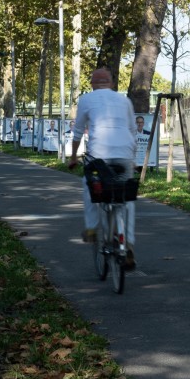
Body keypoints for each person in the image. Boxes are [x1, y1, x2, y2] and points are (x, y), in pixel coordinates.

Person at [68, 68, 138, 270]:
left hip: (99, 155)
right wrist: (132, 158)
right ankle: (129, 243)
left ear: (92, 83)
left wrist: (73, 157)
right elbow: (133, 130)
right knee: (126, 198)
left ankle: (91, 229)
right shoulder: (124, 100)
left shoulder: (86, 99)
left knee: (90, 187)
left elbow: (78, 131)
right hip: (124, 154)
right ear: (111, 83)